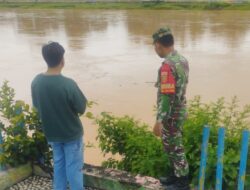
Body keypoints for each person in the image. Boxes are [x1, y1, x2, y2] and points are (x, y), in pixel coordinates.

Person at [31, 41, 87, 190]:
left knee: (59, 165)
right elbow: (81, 108)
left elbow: (36, 105)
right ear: (62, 60)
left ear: (46, 59)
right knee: (74, 168)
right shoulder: (68, 84)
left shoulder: (37, 82)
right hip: (71, 134)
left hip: (52, 134)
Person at [152, 27, 190, 190]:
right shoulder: (182, 60)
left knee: (175, 147)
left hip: (171, 115)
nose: (155, 49)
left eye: (154, 46)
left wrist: (159, 120)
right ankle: (175, 176)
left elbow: (167, 96)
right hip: (180, 110)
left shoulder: (167, 66)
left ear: (159, 45)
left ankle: (182, 183)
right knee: (172, 145)